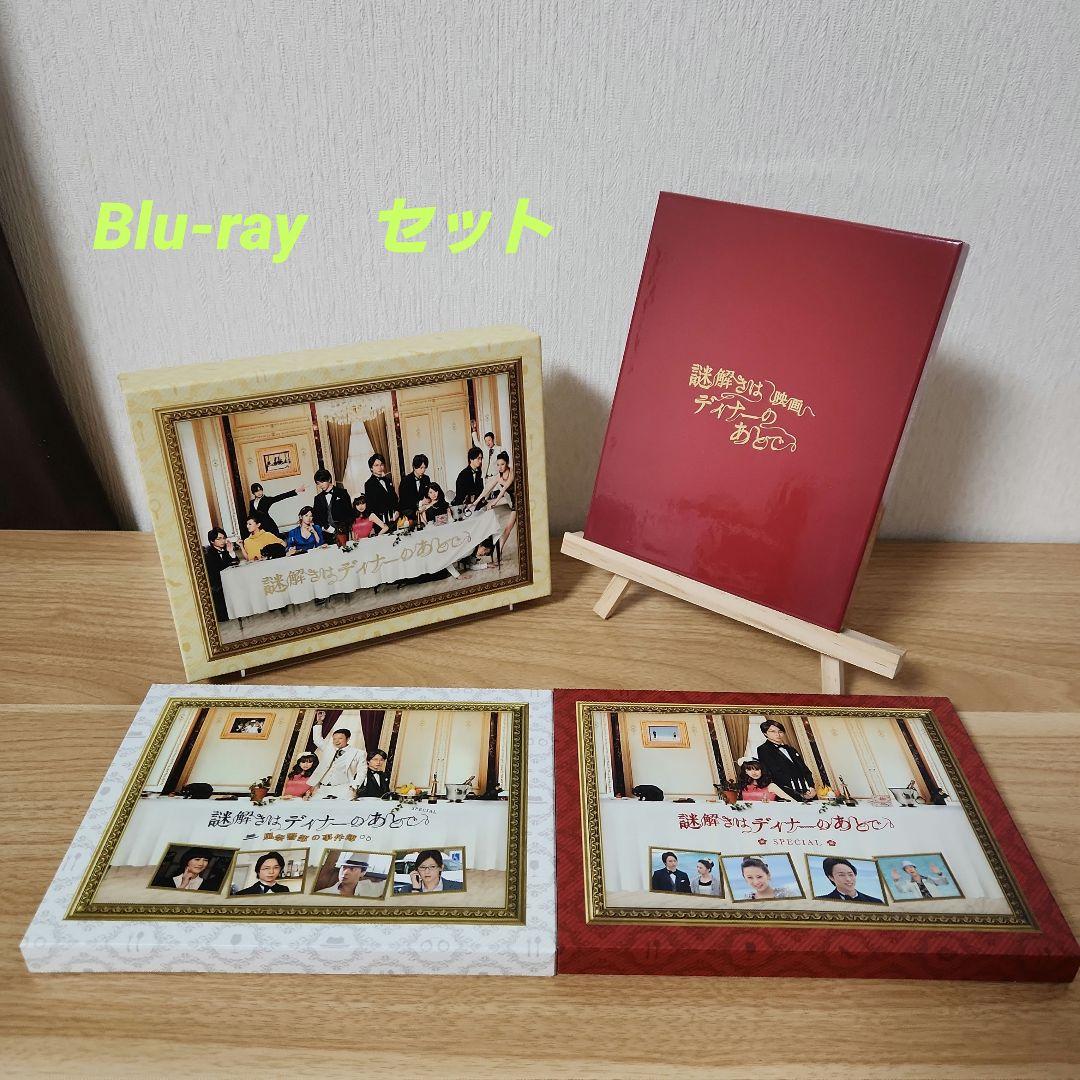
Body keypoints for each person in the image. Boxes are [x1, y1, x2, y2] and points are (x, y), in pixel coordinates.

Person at [755, 720, 817, 802]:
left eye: (780, 731)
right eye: (772, 731)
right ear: (765, 733)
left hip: (807, 791)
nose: (777, 734)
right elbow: (775, 772)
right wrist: (798, 791)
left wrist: (811, 787)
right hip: (786, 792)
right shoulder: (763, 749)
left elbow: (805, 770)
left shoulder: (791, 749)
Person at [307, 727, 365, 799]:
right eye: (334, 739)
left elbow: (362, 771)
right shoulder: (328, 749)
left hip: (343, 788)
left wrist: (355, 786)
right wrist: (319, 724)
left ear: (348, 739)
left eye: (340, 738)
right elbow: (317, 740)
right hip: (323, 788)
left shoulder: (358, 753)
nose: (336, 741)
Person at [204, 528, 239, 621]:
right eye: (219, 539)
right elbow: (219, 569)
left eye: (224, 538)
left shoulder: (226, 550)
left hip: (229, 582)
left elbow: (236, 563)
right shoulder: (208, 554)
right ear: (212, 541)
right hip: (218, 585)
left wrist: (231, 552)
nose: (222, 541)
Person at [817, 857, 885, 903]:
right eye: (841, 875)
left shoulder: (876, 902)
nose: (848, 879)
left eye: (850, 874)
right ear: (831, 877)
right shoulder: (821, 901)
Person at [394, 849, 464, 894]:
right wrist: (415, 889)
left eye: (432, 867)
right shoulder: (405, 890)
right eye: (422, 867)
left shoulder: (459, 887)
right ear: (416, 870)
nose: (427, 872)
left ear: (441, 868)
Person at [316, 853, 386, 898]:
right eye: (344, 867)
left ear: (363, 873)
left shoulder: (369, 888)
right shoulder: (323, 894)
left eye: (352, 869)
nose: (345, 872)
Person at [151, 847, 217, 891]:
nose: (201, 864)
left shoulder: (210, 886)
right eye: (197, 859)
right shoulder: (163, 882)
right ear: (186, 861)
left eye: (205, 860)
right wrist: (183, 885)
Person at [312, 468, 354, 533]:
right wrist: (324, 528)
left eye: (322, 482)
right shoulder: (317, 498)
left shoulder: (342, 493)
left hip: (343, 531)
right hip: (326, 532)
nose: (320, 485)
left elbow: (349, 512)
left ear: (329, 479)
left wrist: (346, 527)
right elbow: (316, 518)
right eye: (318, 483)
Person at [363, 455, 399, 524]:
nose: (380, 467)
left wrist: (397, 511)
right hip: (381, 521)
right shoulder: (368, 484)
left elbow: (395, 498)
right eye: (376, 465)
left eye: (381, 464)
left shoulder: (388, 480)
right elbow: (370, 506)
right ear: (371, 468)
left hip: (394, 518)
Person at [397, 453, 431, 519]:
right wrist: (420, 503)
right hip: (408, 509)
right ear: (414, 467)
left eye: (424, 468)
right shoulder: (405, 480)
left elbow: (428, 494)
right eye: (421, 468)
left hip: (422, 508)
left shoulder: (426, 478)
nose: (423, 470)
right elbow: (404, 501)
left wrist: (428, 500)